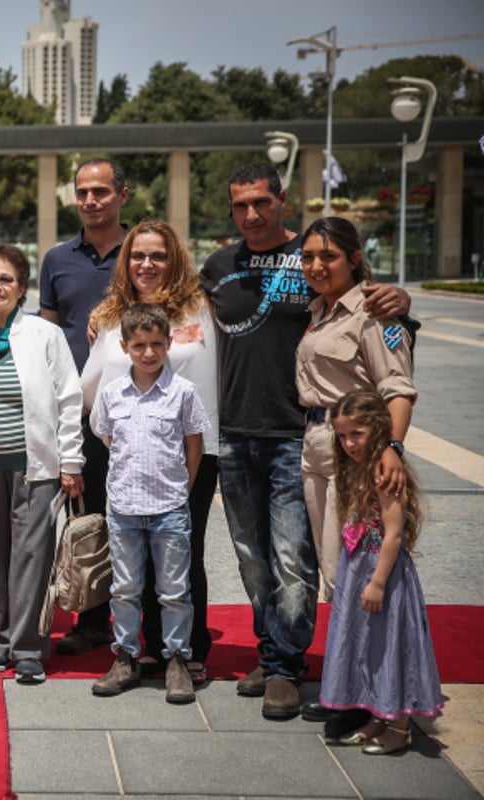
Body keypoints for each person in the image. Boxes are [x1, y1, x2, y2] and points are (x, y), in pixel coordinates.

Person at [200, 162, 411, 719]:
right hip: (235, 437)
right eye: (240, 204)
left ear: (281, 200)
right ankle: (272, 653)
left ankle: (286, 669)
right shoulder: (219, 266)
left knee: (295, 558)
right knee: (252, 559)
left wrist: (400, 304)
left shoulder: (312, 258)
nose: (251, 213)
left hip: (299, 438)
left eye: (261, 203)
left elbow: (371, 314)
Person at [79, 219, 218, 684]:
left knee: (182, 552)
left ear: (173, 259)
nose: (147, 264)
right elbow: (91, 388)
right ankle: (140, 650)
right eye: (138, 255)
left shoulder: (202, 308)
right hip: (127, 454)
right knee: (130, 562)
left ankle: (184, 649)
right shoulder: (112, 314)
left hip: (191, 449)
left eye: (158, 255)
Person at [0, 243, 83, 685]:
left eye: (6, 279)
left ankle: (27, 648)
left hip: (35, 467)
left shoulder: (45, 335)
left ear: (21, 287)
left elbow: (68, 398)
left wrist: (71, 460)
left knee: (29, 557)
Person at [90, 304, 208, 705]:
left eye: (156, 343)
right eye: (139, 345)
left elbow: (195, 447)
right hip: (124, 509)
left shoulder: (183, 393)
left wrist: (180, 490)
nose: (148, 353)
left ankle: (177, 659)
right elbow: (108, 440)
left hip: (170, 508)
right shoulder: (111, 395)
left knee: (174, 589)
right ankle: (125, 656)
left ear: (169, 343)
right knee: (125, 588)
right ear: (124, 346)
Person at [295, 217, 416, 602]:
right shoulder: (317, 312)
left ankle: (363, 661)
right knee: (328, 568)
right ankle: (345, 658)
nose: (316, 266)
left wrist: (392, 448)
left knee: (347, 565)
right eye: (308, 257)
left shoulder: (374, 314)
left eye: (328, 256)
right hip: (313, 443)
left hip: (353, 449)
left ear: (354, 258)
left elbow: (398, 389)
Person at [38, 158, 127, 656]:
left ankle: (142, 618)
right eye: (83, 192)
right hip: (77, 408)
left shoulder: (143, 253)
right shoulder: (57, 260)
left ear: (122, 195)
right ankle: (92, 618)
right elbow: (48, 333)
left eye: (101, 191)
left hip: (137, 409)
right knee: (85, 515)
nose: (91, 200)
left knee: (137, 514)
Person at [321, 390, 442, 755]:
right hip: (361, 567)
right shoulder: (355, 469)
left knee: (391, 643)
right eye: (342, 436)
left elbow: (393, 533)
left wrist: (376, 582)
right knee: (368, 643)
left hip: (381, 572)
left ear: (376, 429)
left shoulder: (383, 472)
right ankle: (377, 715)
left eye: (356, 433)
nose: (348, 443)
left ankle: (400, 726)